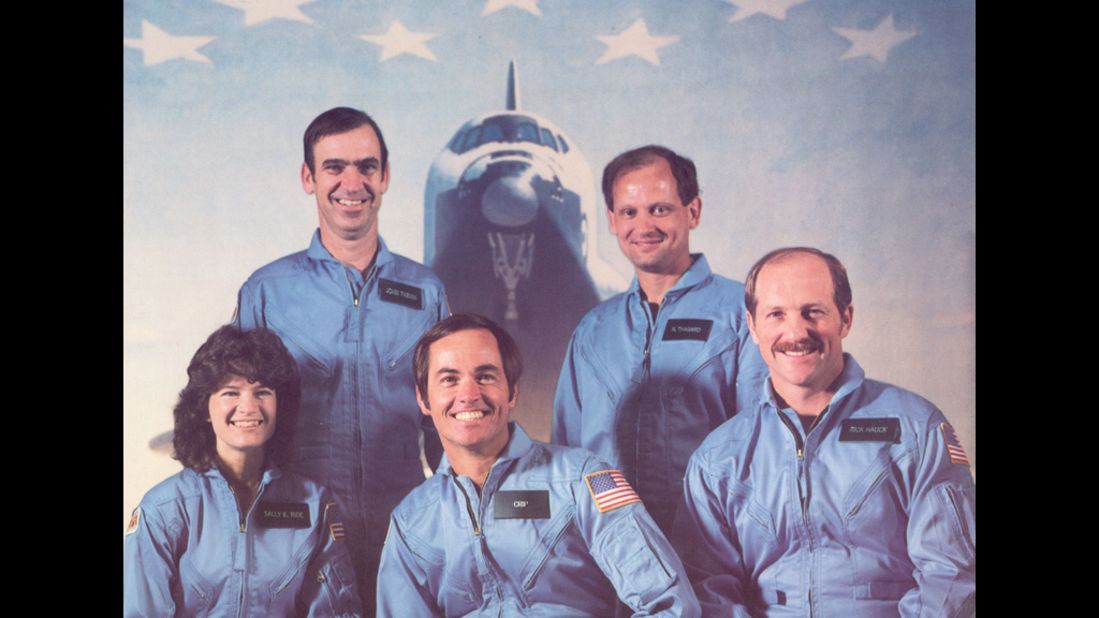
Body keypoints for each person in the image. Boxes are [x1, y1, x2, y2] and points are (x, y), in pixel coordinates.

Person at [674, 247, 976, 616]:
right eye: (776, 314)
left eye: (813, 312)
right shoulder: (718, 458)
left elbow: (950, 575)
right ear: (753, 327)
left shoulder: (916, 430)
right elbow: (709, 591)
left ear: (845, 319)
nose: (796, 332)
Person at [234, 107, 448, 610]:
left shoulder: (426, 291)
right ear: (308, 178)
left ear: (385, 176)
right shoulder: (267, 291)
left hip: (405, 527)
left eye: (366, 167)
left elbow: (445, 422)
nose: (352, 182)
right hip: (295, 531)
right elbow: (237, 424)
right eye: (334, 167)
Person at [376, 314, 700, 616]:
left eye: (485, 376)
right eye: (449, 379)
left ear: (512, 392)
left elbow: (670, 604)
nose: (469, 394)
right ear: (424, 400)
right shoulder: (411, 521)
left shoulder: (585, 480)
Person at [553, 145, 767, 535]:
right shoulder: (593, 330)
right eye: (629, 212)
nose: (644, 226)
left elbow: (763, 445)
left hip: (713, 545)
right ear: (612, 221)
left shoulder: (744, 314)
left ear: (694, 212)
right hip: (611, 550)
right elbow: (568, 454)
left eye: (660, 209)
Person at [123, 325, 362, 617]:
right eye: (230, 392)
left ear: (280, 405)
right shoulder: (165, 510)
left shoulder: (314, 505)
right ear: (204, 408)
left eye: (262, 392)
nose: (248, 407)